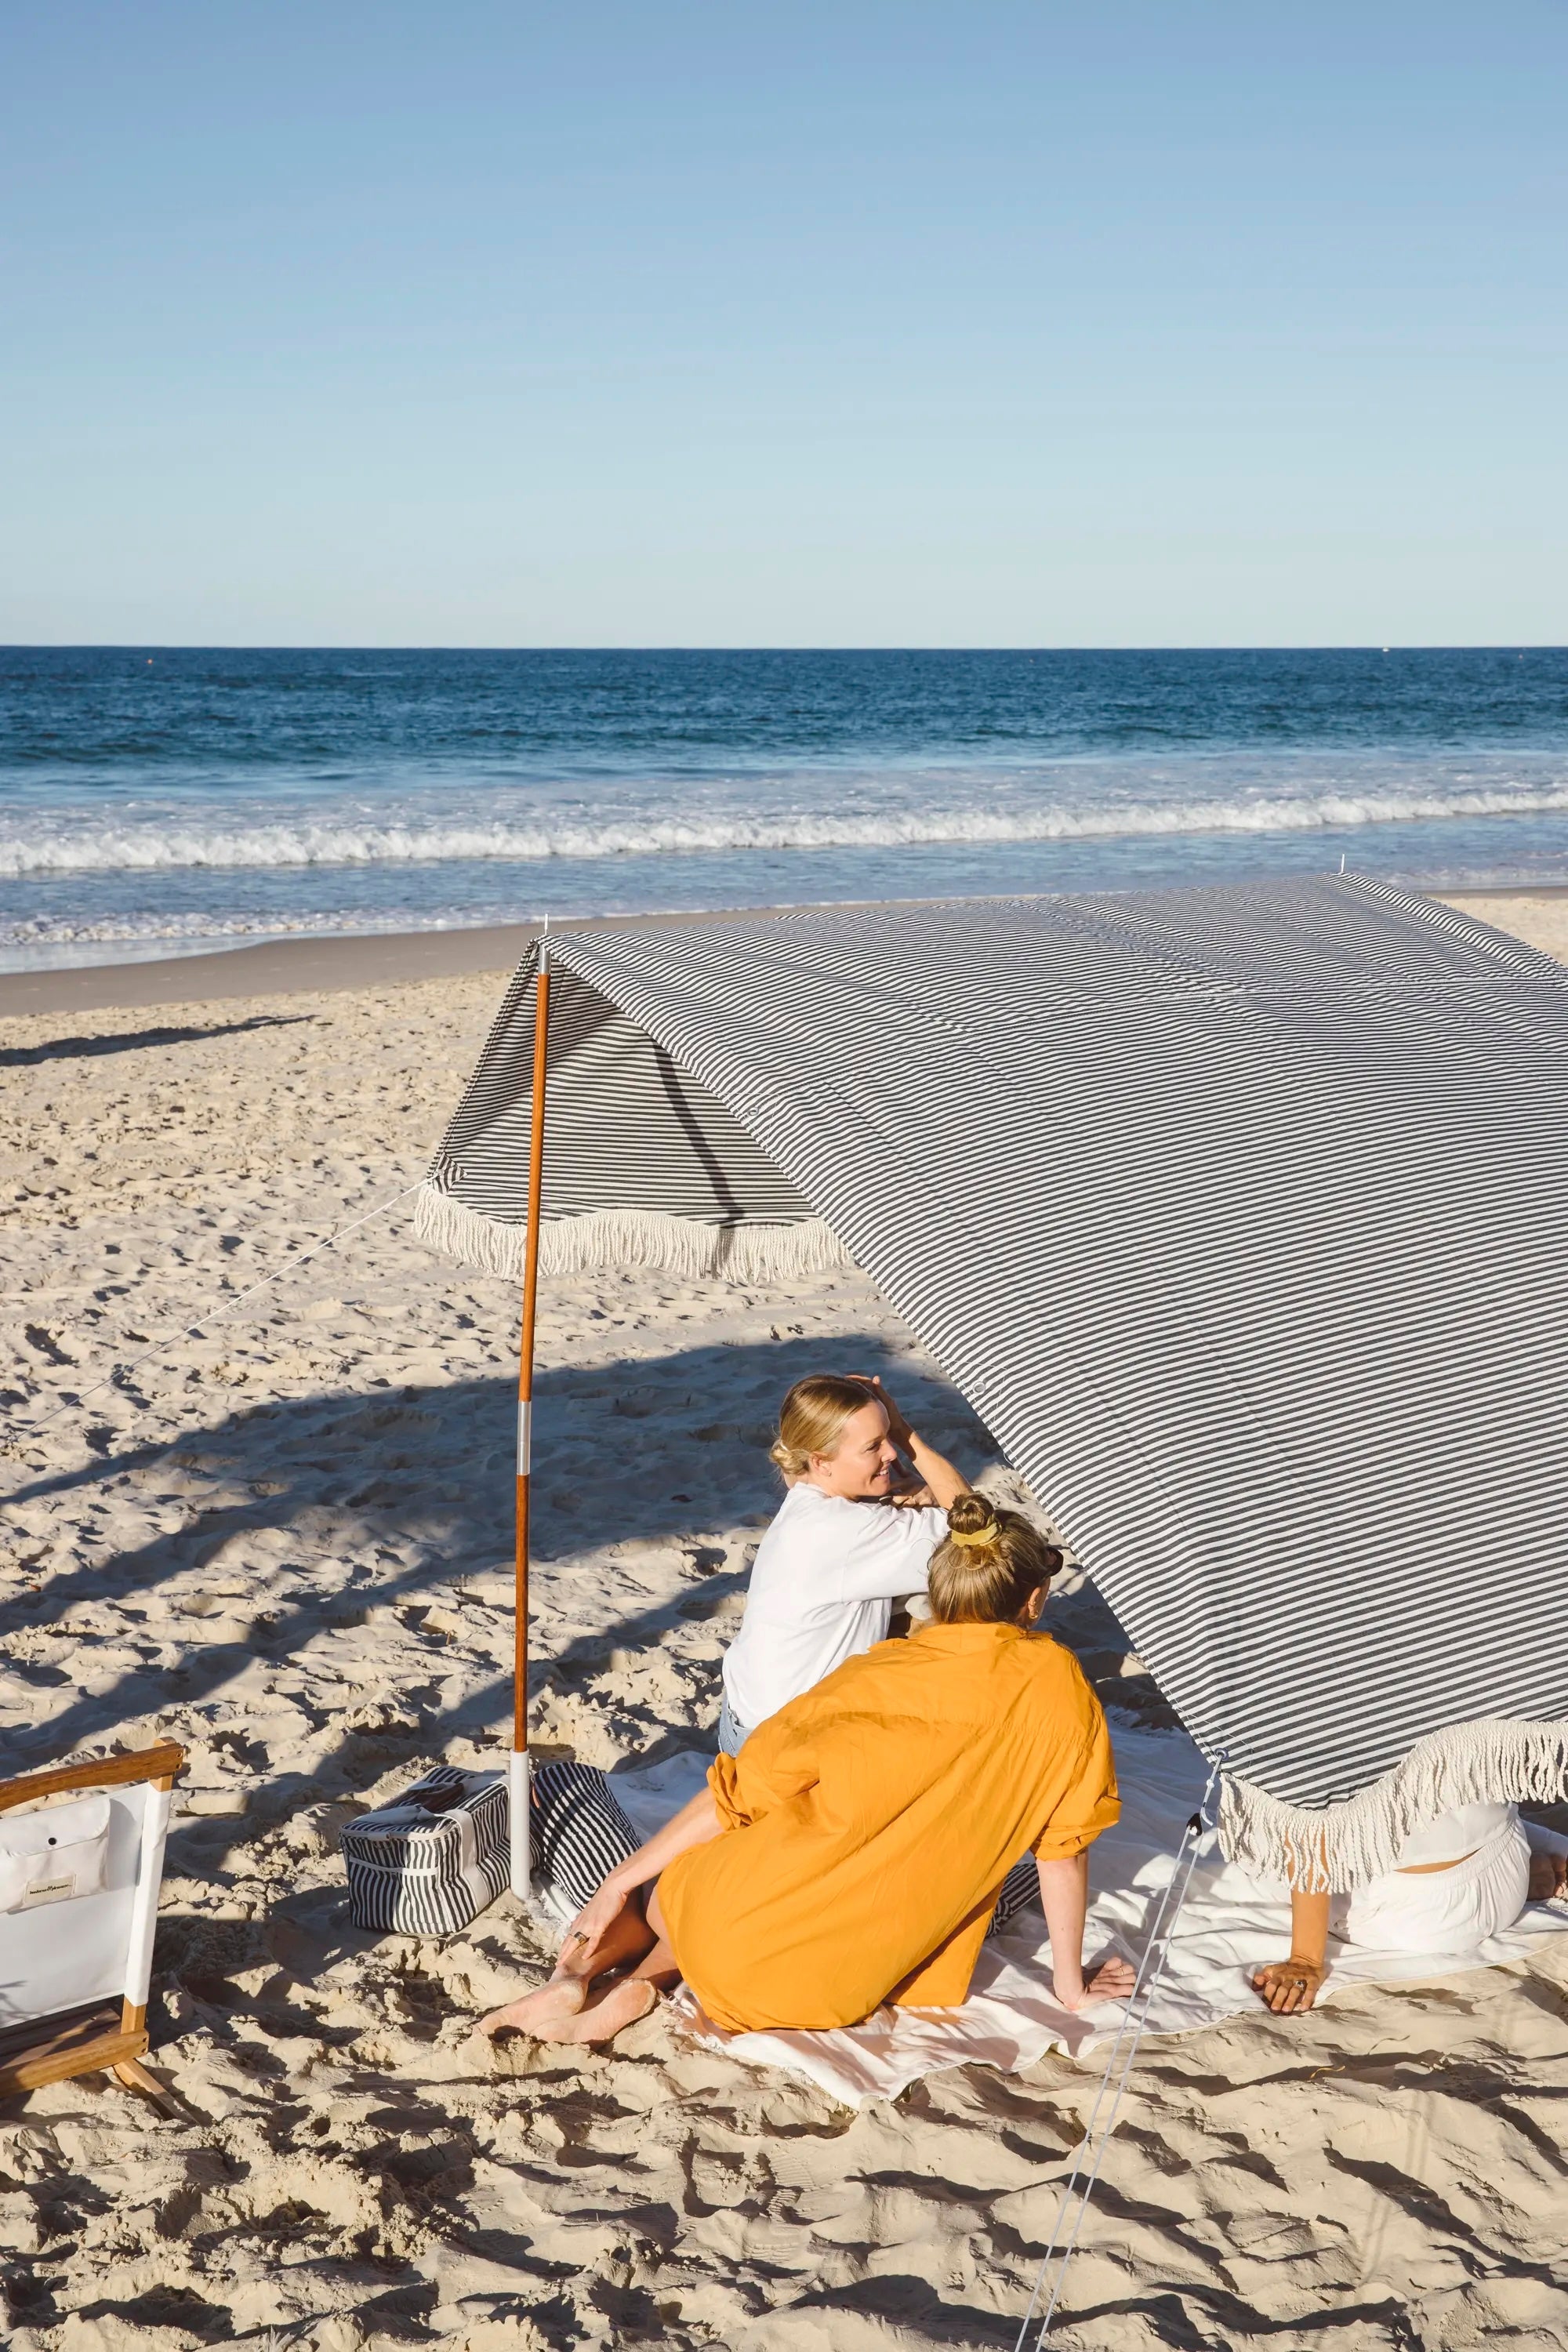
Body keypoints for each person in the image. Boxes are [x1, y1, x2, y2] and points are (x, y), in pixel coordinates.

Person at [479, 1492, 1135, 2047]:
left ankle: (600, 1978)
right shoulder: (1063, 1691)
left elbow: (739, 1792)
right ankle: (640, 1989)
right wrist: (1070, 1987)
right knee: (989, 1884)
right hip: (825, 1989)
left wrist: (618, 1884)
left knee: (691, 1880)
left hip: (725, 1922)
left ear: (937, 1593)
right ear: (1036, 1599)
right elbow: (1063, 1851)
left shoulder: (875, 1672)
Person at [716, 1370, 969, 1757]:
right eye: (873, 1447)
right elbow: (975, 1524)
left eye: (888, 1438)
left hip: (744, 1717)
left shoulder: (807, 1497)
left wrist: (892, 1488)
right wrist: (906, 1433)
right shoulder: (846, 1530)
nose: (891, 1454)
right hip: (781, 1743)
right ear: (821, 1461)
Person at [1252, 1803, 1568, 2015]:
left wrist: (1305, 1961)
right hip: (1506, 1865)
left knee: (1259, 1836)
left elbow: (1306, 1836)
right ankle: (1545, 1855)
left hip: (1418, 1918)